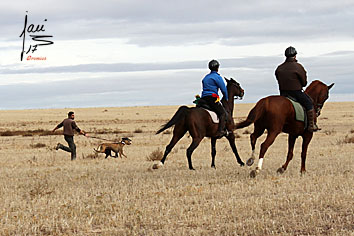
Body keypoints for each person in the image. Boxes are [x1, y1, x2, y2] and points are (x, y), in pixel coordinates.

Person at [275, 46, 319, 132]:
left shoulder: (279, 68)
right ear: (295, 56)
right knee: (309, 103)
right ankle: (311, 125)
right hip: (296, 92)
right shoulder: (298, 67)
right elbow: (304, 83)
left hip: (283, 93)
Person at [200, 59, 228, 138]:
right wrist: (226, 98)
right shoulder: (217, 77)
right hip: (212, 98)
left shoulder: (206, 77)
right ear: (217, 68)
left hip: (203, 98)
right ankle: (220, 131)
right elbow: (224, 89)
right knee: (222, 113)